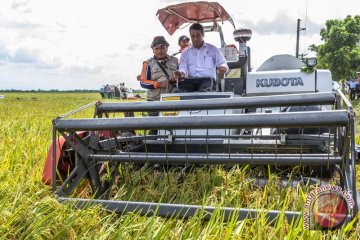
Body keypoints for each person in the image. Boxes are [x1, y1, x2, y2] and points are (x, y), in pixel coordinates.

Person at [139, 36, 178, 134]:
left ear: (167, 47)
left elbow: (183, 76)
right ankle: (152, 146)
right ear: (152, 50)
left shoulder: (176, 61)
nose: (159, 51)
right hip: (154, 101)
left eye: (162, 48)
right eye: (156, 48)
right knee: (154, 128)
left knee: (174, 128)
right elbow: (143, 82)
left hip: (172, 100)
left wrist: (177, 78)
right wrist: (159, 84)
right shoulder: (147, 63)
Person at [175, 23, 228, 92]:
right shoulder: (185, 52)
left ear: (203, 35)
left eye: (198, 35)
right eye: (193, 36)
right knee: (179, 92)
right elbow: (183, 67)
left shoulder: (212, 49)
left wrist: (223, 67)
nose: (195, 39)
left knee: (205, 91)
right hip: (190, 80)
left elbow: (222, 63)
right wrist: (181, 73)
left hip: (207, 80)